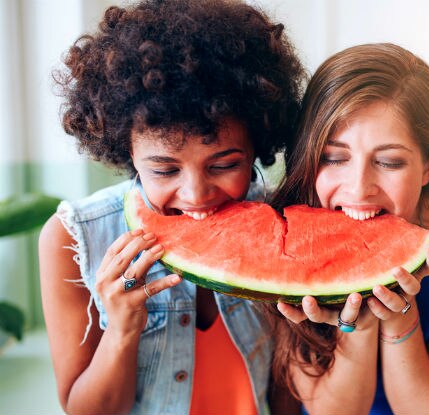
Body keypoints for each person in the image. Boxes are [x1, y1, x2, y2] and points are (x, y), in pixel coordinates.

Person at [38, 1, 304, 414]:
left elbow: (286, 394)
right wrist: (122, 328)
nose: (196, 194)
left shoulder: (282, 225)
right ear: (125, 149)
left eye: (224, 164)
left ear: (258, 142)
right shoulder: (73, 238)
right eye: (164, 170)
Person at [266, 43, 429, 415]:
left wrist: (399, 313)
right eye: (333, 157)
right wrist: (360, 326)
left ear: (428, 164)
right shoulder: (287, 228)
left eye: (388, 161)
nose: (358, 187)